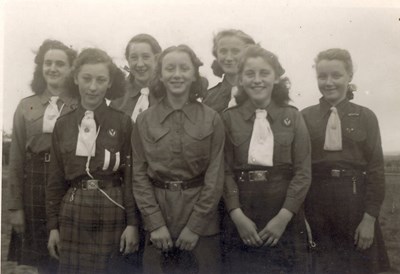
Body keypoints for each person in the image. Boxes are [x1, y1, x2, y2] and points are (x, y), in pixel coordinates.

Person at [131, 44, 225, 274]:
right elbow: (139, 175)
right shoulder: (144, 121)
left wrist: (195, 226)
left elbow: (215, 176)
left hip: (201, 223)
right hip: (158, 220)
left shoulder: (212, 119)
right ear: (160, 75)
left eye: (184, 68)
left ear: (194, 74)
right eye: (170, 68)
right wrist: (155, 224)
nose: (177, 75)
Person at [46, 48, 139, 273]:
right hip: (73, 210)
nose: (93, 87)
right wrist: (53, 227)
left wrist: (132, 224)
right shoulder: (63, 124)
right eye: (86, 79)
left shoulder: (123, 123)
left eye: (101, 80)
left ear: (110, 83)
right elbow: (55, 180)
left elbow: (131, 177)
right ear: (76, 78)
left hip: (113, 208)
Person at [222, 45, 311, 273]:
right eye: (250, 74)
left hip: (283, 211)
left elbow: (303, 172)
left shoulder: (293, 116)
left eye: (264, 73)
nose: (257, 80)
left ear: (276, 78)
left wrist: (283, 218)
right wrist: (237, 215)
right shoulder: (228, 119)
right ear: (240, 80)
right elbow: (224, 172)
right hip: (243, 210)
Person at [302, 48, 390, 274]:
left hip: (355, 205)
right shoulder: (304, 117)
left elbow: (376, 171)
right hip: (316, 205)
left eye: (336, 75)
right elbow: (299, 170)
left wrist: (369, 219)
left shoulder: (366, 116)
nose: (329, 82)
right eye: (322, 76)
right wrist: (302, 219)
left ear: (349, 76)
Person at [8, 39, 78, 273]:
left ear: (71, 69)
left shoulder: (80, 105)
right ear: (41, 67)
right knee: (43, 261)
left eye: (60, 63)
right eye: (48, 63)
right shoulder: (26, 106)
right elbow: (16, 159)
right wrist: (16, 207)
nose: (53, 68)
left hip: (70, 184)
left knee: (71, 255)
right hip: (35, 185)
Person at [110, 34, 161, 122]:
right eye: (134, 58)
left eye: (146, 57)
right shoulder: (119, 95)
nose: (140, 64)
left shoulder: (167, 94)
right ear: (128, 60)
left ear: (156, 59)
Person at [203, 29, 255, 113]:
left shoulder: (260, 92)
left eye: (235, 51)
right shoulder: (209, 98)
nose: (229, 58)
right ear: (217, 55)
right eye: (223, 51)